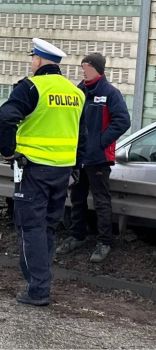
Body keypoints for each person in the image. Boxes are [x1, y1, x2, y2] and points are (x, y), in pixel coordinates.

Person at [0, 38, 86, 306]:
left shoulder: (31, 87)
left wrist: (7, 150)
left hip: (33, 169)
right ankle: (42, 282)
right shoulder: (76, 93)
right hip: (62, 171)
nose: (31, 63)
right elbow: (82, 135)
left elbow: (4, 117)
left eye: (32, 59)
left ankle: (38, 290)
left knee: (30, 228)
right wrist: (76, 166)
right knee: (47, 227)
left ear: (38, 61)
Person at [56, 52, 130, 263]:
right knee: (77, 198)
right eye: (82, 68)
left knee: (101, 201)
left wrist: (99, 142)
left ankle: (104, 241)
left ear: (97, 69)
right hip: (78, 157)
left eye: (86, 68)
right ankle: (77, 235)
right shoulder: (78, 91)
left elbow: (123, 121)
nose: (83, 72)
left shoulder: (110, 93)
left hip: (98, 158)